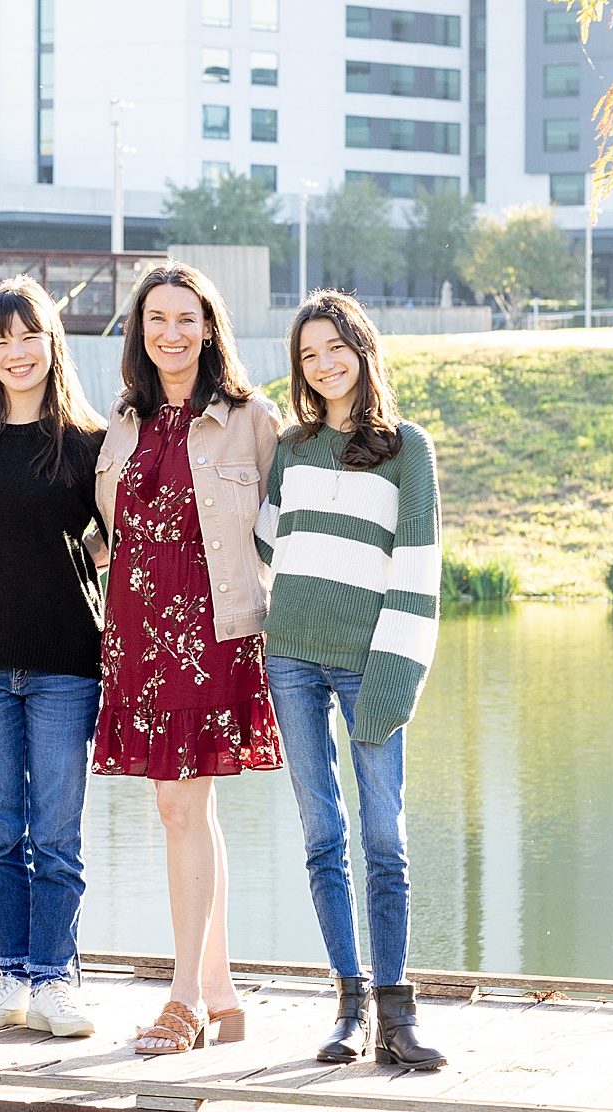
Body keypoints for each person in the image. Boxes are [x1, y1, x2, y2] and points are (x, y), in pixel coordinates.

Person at [92, 263, 284, 1055]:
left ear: (210, 328)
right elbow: (110, 529)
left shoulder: (251, 418)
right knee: (184, 809)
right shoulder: (126, 419)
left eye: (187, 318)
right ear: (139, 331)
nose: (171, 332)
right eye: (156, 318)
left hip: (212, 633)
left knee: (181, 807)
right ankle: (221, 992)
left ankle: (185, 999)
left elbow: (286, 529)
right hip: (138, 635)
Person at [256, 291, 446, 1070]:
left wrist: (393, 681)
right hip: (290, 660)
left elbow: (418, 576)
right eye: (308, 354)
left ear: (361, 349)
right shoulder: (294, 449)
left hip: (372, 663)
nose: (323, 364)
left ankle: (397, 1013)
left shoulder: (409, 450)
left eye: (335, 347)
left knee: (383, 838)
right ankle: (347, 1004)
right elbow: (268, 543)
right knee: (321, 834)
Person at [0, 276, 108, 1039]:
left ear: (52, 343)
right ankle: (11, 972)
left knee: (58, 832)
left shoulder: (88, 443)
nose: (15, 351)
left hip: (65, 662)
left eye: (28, 335)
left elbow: (118, 547)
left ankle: (57, 980)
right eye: (0, 338)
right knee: (3, 830)